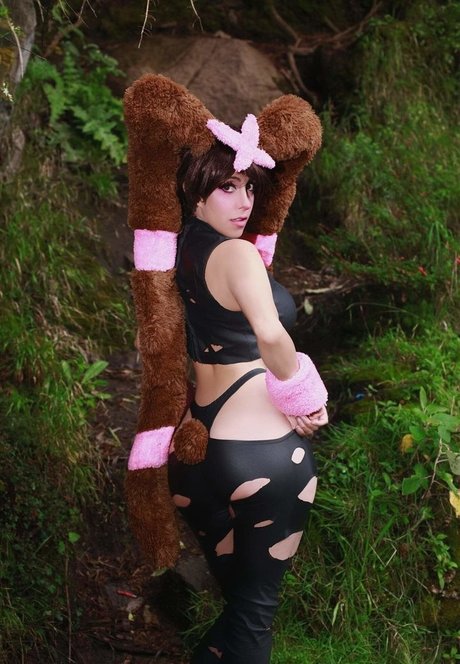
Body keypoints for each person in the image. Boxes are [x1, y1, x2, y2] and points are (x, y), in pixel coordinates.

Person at [167, 137, 328, 663]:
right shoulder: (236, 253)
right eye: (227, 188)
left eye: (250, 189)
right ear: (195, 192)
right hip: (260, 454)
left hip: (194, 455)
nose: (244, 203)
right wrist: (303, 394)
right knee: (255, 615)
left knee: (238, 609)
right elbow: (271, 333)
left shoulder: (177, 247)